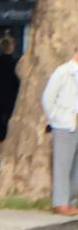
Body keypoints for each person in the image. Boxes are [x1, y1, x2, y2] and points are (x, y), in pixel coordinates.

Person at [45, 42, 78, 216]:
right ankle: (60, 203)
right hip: (65, 124)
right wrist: (54, 118)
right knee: (62, 166)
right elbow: (48, 99)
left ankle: (71, 200)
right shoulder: (63, 72)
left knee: (76, 167)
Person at [0, 34, 23, 152]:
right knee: (10, 131)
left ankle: (0, 155)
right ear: (11, 47)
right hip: (11, 102)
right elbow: (19, 84)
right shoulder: (16, 64)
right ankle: (5, 156)